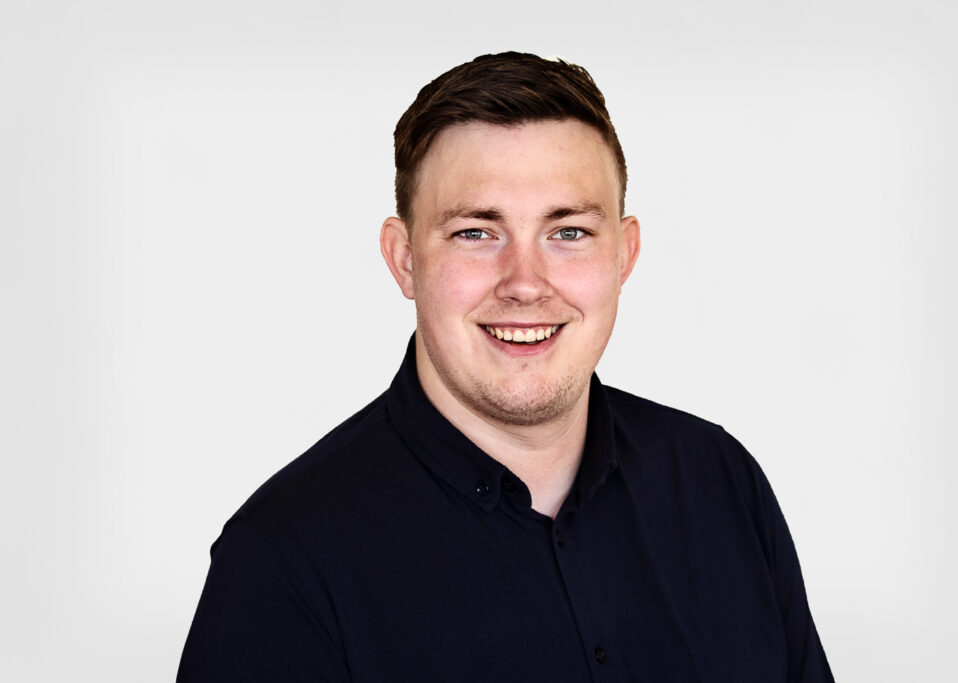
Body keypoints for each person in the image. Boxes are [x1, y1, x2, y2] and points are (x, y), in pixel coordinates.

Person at [177, 52, 833, 682]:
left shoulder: (722, 483)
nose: (525, 283)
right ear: (405, 260)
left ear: (624, 255)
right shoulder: (283, 562)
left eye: (568, 232)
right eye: (476, 232)